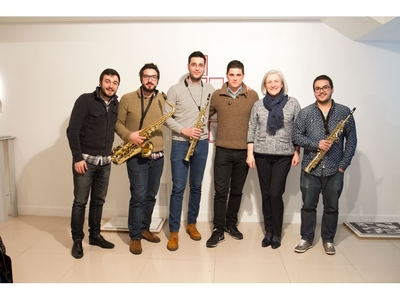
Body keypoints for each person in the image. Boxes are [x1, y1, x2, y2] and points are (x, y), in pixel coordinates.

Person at [292, 74, 357, 255]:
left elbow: (351, 141)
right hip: (310, 168)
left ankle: (328, 239)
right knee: (308, 206)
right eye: (318, 88)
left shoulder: (344, 112)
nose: (321, 91)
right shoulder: (305, 112)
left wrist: (343, 165)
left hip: (334, 169)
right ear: (314, 91)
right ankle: (306, 238)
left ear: (332, 89)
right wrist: (316, 144)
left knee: (332, 207)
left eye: (325, 87)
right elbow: (296, 136)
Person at [66, 68, 120, 259]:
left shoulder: (116, 104)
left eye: (114, 82)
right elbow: (72, 131)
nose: (110, 85)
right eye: (107, 81)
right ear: (100, 82)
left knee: (98, 201)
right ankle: (77, 240)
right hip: (85, 162)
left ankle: (95, 235)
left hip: (105, 162)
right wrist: (77, 158)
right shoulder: (85, 100)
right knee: (80, 202)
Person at [115, 63, 168, 255]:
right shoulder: (127, 98)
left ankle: (145, 228)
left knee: (150, 195)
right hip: (136, 154)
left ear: (157, 80)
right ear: (140, 78)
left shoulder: (163, 99)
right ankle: (135, 236)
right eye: (147, 76)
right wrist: (130, 136)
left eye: (154, 77)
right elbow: (118, 124)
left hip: (157, 155)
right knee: (138, 196)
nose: (150, 80)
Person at [164, 51, 215, 251]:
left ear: (204, 67)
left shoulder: (210, 89)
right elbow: (166, 117)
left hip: (201, 143)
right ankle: (174, 231)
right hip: (180, 142)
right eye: (193, 64)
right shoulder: (175, 89)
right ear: (188, 66)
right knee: (178, 187)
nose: (196, 68)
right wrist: (184, 130)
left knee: (196, 185)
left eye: (200, 65)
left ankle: (191, 223)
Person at [206, 60, 259, 248]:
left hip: (244, 152)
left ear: (243, 76)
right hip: (222, 150)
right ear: (226, 75)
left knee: (236, 191)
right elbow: (205, 115)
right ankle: (218, 229)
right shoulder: (217, 95)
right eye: (231, 75)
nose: (235, 78)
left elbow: (258, 122)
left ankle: (231, 224)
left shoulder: (252, 96)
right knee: (220, 192)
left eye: (238, 75)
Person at [246, 69, 301, 249]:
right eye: (269, 82)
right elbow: (251, 129)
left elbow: (298, 130)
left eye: (276, 81)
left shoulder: (292, 103)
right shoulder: (258, 105)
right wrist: (250, 154)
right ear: (265, 85)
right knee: (265, 195)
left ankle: (277, 233)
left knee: (275, 194)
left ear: (282, 83)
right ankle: (268, 232)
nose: (273, 84)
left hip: (284, 155)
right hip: (261, 155)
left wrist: (297, 151)